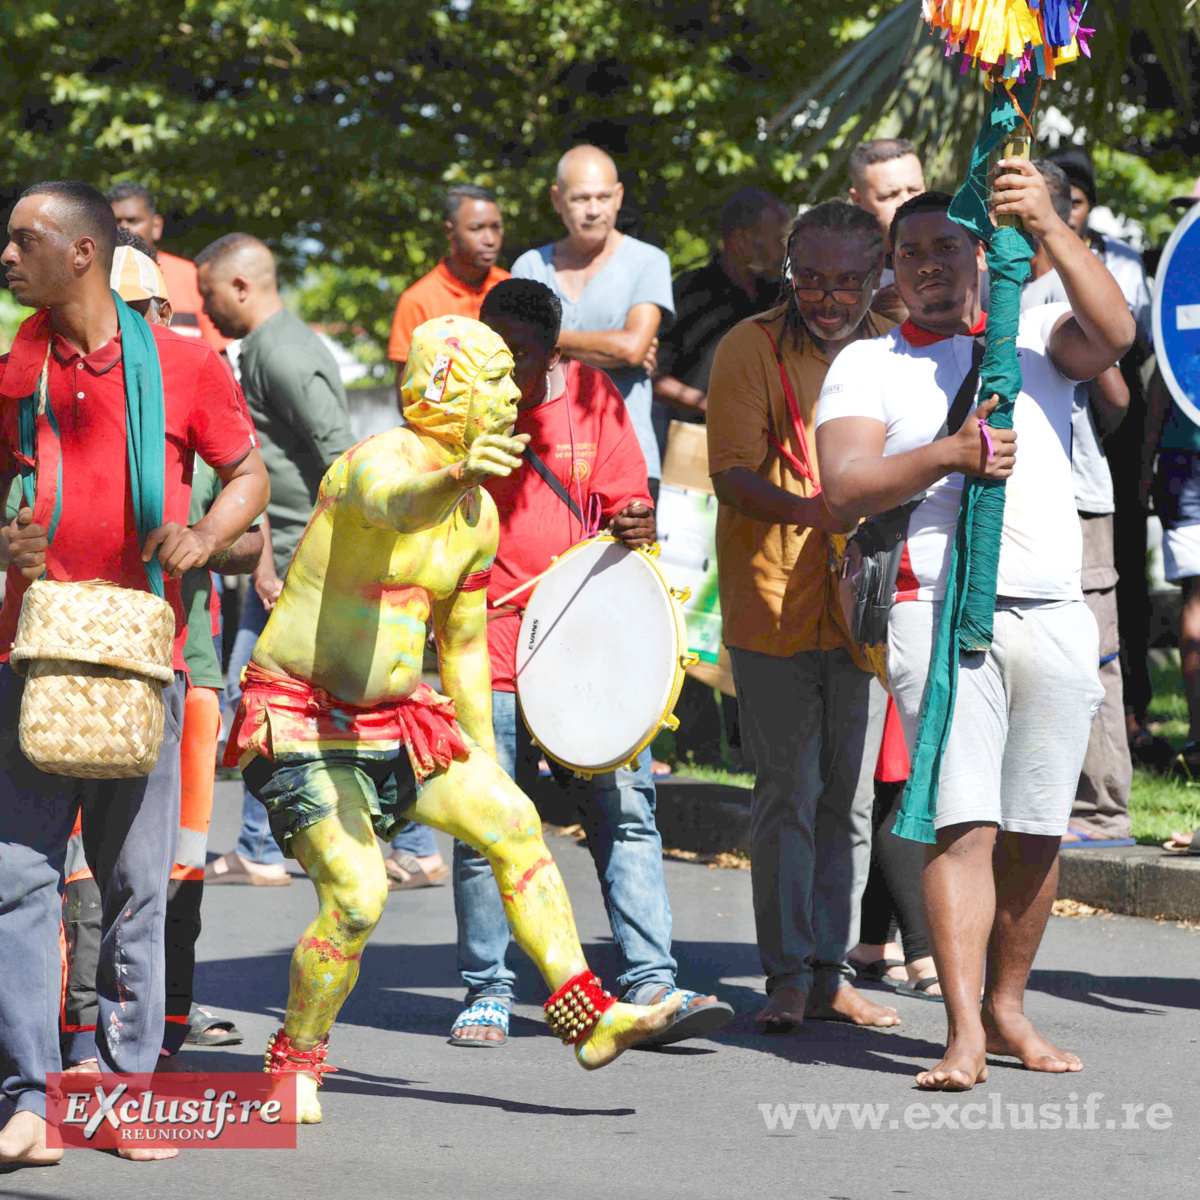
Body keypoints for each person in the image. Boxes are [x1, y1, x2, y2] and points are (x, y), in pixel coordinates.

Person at [222, 314, 683, 1125]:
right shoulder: (379, 463)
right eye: (497, 378)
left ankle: (587, 1013)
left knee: (512, 822)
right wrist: (456, 474)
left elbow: (462, 645)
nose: (514, 393)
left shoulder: (477, 516)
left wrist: (478, 747)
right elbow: (394, 506)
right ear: (447, 390)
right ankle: (294, 1061)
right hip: (300, 719)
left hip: (398, 717)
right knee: (358, 899)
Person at [816, 173, 1134, 1090]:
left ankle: (1008, 1009)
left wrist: (1044, 224)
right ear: (892, 272)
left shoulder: (1029, 336)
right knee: (966, 824)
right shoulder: (870, 364)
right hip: (934, 607)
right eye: (908, 254)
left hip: (1052, 608)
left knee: (1038, 827)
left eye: (943, 248)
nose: (926, 266)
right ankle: (959, 1033)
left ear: (979, 255)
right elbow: (842, 488)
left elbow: (1115, 335)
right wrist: (948, 457)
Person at [0, 181, 267, 1166]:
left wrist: (203, 533)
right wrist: (7, 540)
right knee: (17, 881)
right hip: (28, 655)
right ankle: (29, 1099)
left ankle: (121, 1092)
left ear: (81, 255)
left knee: (133, 888)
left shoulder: (185, 365)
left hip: (140, 659)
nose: (6, 256)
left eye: (24, 241)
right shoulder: (15, 373)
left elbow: (250, 475)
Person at [440, 279, 734, 1047]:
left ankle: (650, 981)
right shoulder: (455, 412)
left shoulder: (594, 397)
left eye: (523, 356)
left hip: (584, 652)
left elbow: (627, 506)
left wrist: (635, 519)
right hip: (485, 653)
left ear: (555, 347)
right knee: (487, 828)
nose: (505, 371)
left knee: (625, 813)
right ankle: (487, 988)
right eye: (493, 351)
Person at [58, 238, 262, 1067]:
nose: (129, 332)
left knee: (167, 871)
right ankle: (70, 1041)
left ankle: (161, 1032)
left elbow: (255, 540)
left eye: (142, 313)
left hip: (187, 667)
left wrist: (201, 540)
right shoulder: (58, 386)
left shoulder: (189, 390)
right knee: (71, 870)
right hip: (67, 664)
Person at [706, 200, 897, 1032]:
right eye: (811, 278)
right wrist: (819, 513)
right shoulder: (749, 346)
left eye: (847, 280)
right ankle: (786, 973)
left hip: (865, 607)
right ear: (789, 268)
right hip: (773, 602)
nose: (828, 296)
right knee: (788, 791)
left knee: (848, 802)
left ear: (875, 275)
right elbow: (732, 476)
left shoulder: (893, 348)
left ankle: (830, 971)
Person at [196, 233, 356, 887]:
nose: (204, 310)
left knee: (272, 700)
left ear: (240, 286)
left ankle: (270, 848)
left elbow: (343, 459)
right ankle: (263, 845)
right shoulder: (260, 348)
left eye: (208, 295)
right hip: (278, 558)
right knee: (270, 702)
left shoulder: (285, 353)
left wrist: (308, 561)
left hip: (302, 562)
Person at [1021, 160, 1135, 844]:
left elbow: (1115, 394)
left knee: (1091, 653)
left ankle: (1101, 809)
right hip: (1036, 501)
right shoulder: (1013, 291)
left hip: (1078, 499)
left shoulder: (1052, 296)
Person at [1048, 147, 1162, 768]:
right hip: (1045, 479)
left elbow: (1123, 364)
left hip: (1092, 465)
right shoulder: (995, 281)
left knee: (1102, 631)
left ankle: (1103, 789)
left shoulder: (1101, 269)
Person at [511, 145, 674, 489]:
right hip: (541, 458)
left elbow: (631, 348)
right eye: (581, 199)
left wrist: (545, 339)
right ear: (557, 199)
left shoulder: (649, 262)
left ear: (618, 196)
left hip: (627, 460)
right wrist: (611, 345)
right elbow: (513, 354)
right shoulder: (529, 267)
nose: (594, 210)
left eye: (603, 197)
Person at [653, 188, 791, 419]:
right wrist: (713, 408)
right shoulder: (688, 291)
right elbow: (652, 374)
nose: (786, 251)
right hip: (696, 439)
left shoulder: (785, 297)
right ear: (741, 239)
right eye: (778, 240)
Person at [387, 183, 510, 400]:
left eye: (496, 227)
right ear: (449, 232)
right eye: (477, 228)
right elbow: (407, 396)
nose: (490, 239)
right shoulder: (418, 301)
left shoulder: (511, 288)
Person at [107, 181, 230, 352]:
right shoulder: (96, 276)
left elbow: (220, 351)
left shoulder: (191, 275)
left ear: (156, 226)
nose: (124, 228)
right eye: (115, 221)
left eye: (133, 220)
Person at [848, 139, 927, 324]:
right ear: (857, 200)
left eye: (915, 189)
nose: (907, 202)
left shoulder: (966, 262)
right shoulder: (841, 278)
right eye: (889, 196)